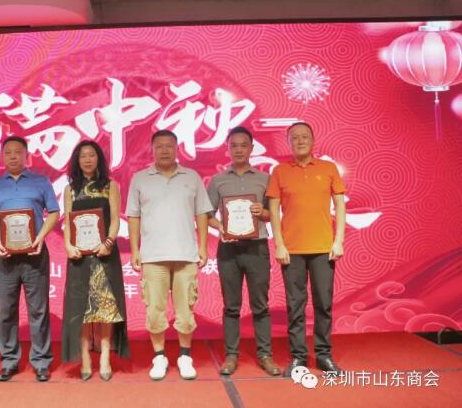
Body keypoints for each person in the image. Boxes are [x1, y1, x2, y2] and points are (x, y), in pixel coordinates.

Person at [126, 129, 213, 381]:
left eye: (169, 146)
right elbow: (133, 216)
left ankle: (185, 356)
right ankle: (159, 356)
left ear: (177, 148)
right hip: (153, 256)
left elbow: (202, 213)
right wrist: (135, 250)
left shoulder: (191, 177)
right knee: (154, 309)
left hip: (186, 254)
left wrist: (203, 247)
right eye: (159, 146)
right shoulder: (140, 179)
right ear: (152, 150)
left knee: (186, 310)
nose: (164, 150)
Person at [266, 122, 346, 377]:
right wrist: (279, 244)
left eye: (304, 137)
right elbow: (274, 211)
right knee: (295, 305)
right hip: (292, 250)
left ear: (312, 140)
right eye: (295, 138)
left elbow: (340, 205)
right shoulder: (279, 171)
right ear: (288, 142)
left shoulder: (328, 168)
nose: (300, 141)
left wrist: (338, 240)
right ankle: (299, 356)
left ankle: (324, 355)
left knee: (324, 304)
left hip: (323, 248)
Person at [0, 136, 59, 382]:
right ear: (3, 156)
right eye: (8, 152)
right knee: (6, 311)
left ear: (27, 155)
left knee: (39, 310)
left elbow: (54, 212)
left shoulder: (41, 181)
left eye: (18, 152)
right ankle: (9, 361)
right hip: (5, 257)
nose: (13, 156)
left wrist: (41, 237)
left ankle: (41, 361)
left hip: (34, 255)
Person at [207, 126, 281, 376]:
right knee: (231, 306)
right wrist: (221, 228)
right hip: (228, 249)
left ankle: (265, 355)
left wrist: (264, 212)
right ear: (227, 149)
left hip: (256, 247)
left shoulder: (264, 179)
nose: (238, 149)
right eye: (234, 145)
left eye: (243, 145)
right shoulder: (218, 180)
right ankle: (231, 355)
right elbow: (206, 214)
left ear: (251, 148)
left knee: (260, 305)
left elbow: (272, 214)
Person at [61, 140, 130, 381]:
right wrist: (68, 245)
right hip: (78, 256)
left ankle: (105, 357)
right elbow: (67, 222)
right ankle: (85, 357)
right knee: (80, 307)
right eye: (83, 156)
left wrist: (108, 243)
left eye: (92, 155)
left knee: (106, 307)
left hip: (104, 254)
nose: (88, 160)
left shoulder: (110, 186)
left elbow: (115, 220)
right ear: (77, 161)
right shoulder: (70, 190)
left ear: (98, 159)